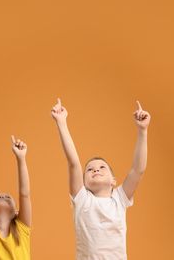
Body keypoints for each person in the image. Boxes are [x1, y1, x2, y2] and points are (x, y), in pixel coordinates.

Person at [51, 98, 151, 260]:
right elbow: (73, 163)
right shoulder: (82, 199)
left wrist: (143, 131)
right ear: (83, 183)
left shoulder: (119, 199)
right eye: (89, 169)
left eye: (102, 167)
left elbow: (137, 170)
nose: (96, 169)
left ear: (113, 180)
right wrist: (61, 123)